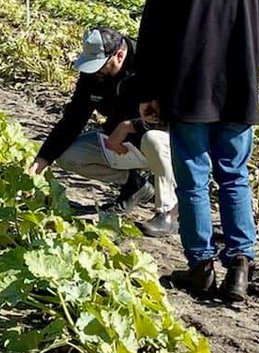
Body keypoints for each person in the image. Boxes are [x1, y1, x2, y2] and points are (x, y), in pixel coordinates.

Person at [136, 0, 259, 303]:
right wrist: (241, 69)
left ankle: (200, 267)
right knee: (235, 177)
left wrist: (149, 93)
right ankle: (240, 266)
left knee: (194, 181)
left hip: (188, 96)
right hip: (239, 96)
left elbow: (151, 42)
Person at [26, 27, 178, 234]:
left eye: (100, 65)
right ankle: (136, 184)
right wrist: (42, 160)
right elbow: (74, 117)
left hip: (167, 143)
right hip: (120, 143)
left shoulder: (150, 65)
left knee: (154, 140)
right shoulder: (93, 74)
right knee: (68, 156)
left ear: (120, 55)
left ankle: (169, 212)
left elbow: (174, 115)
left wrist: (128, 126)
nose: (94, 71)